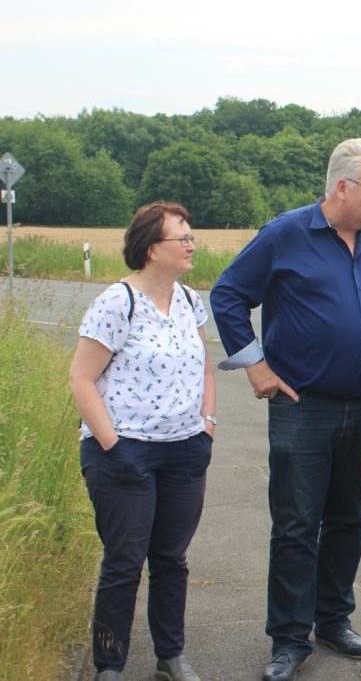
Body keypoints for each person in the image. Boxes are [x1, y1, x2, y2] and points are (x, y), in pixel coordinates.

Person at [209, 138, 361, 681]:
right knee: (295, 525)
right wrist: (256, 365)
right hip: (302, 405)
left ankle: (333, 619)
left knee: (349, 518)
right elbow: (227, 294)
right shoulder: (285, 234)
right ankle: (289, 640)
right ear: (342, 187)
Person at [69, 202, 215, 681]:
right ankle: (109, 665)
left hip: (184, 452)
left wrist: (206, 424)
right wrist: (114, 445)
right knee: (125, 563)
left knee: (171, 561)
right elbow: (82, 379)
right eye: (182, 238)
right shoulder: (118, 302)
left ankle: (170, 656)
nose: (192, 244)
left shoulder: (192, 301)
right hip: (123, 454)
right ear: (153, 250)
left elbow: (204, 368)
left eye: (191, 236)